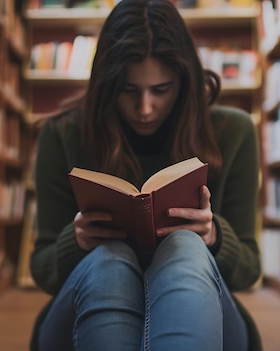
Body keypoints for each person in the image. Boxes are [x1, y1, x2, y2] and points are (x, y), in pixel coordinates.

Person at [29, 0, 263, 350]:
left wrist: (214, 236)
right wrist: (75, 242)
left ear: (185, 83)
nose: (145, 108)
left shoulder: (234, 131)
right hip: (85, 307)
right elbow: (42, 269)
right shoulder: (63, 134)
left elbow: (249, 270)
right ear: (106, 84)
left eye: (161, 89)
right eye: (128, 89)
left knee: (185, 246)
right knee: (110, 261)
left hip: (207, 312)